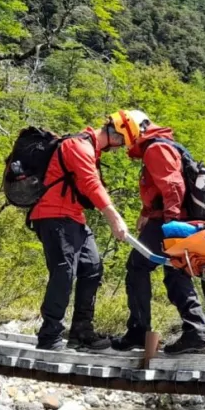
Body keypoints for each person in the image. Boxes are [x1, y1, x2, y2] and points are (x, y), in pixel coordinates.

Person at [108, 110, 205, 355]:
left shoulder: (156, 148)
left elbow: (173, 187)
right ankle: (196, 333)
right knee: (176, 273)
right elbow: (160, 188)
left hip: (169, 220)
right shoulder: (162, 145)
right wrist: (146, 212)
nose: (125, 140)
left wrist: (170, 227)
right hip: (175, 219)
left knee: (137, 267)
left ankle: (139, 332)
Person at [28, 121, 130, 351]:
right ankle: (49, 336)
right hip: (53, 215)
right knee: (64, 272)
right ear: (117, 135)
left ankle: (81, 332)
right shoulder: (78, 146)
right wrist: (114, 218)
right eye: (122, 143)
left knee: (92, 267)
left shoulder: (90, 149)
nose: (120, 149)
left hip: (74, 217)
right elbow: (91, 184)